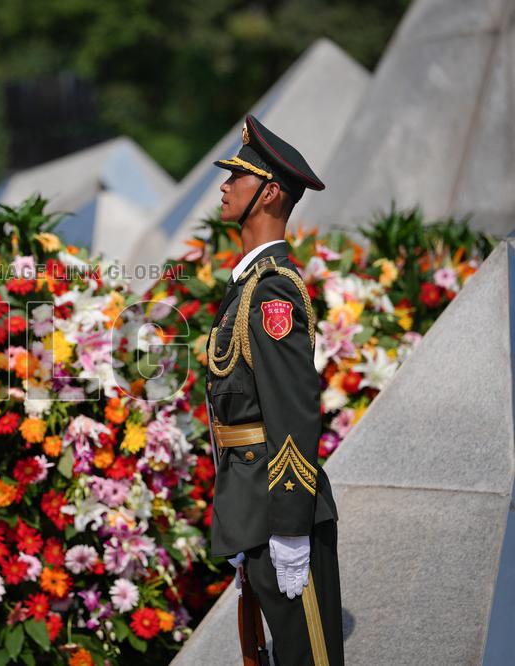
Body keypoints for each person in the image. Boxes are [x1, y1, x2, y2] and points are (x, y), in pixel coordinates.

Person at [206, 115, 343, 664]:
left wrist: (290, 530)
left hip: (279, 513)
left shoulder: (271, 296)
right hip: (252, 508)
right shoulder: (247, 288)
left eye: (235, 177)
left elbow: (293, 412)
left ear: (268, 193)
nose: (223, 186)